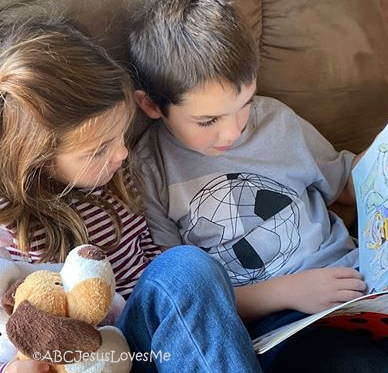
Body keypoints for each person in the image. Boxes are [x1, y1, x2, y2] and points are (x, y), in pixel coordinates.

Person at [127, 0, 388, 371]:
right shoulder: (150, 170)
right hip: (279, 322)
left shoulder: (276, 121)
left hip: (359, 280)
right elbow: (184, 296)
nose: (233, 132)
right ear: (152, 105)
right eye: (208, 120)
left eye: (244, 103)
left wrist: (380, 153)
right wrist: (288, 292)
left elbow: (345, 184)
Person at [0, 19, 263, 373]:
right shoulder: (7, 226)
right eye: (98, 150)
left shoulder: (117, 177)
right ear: (37, 159)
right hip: (81, 358)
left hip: (144, 344)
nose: (122, 154)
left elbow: (162, 278)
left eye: (121, 135)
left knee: (186, 268)